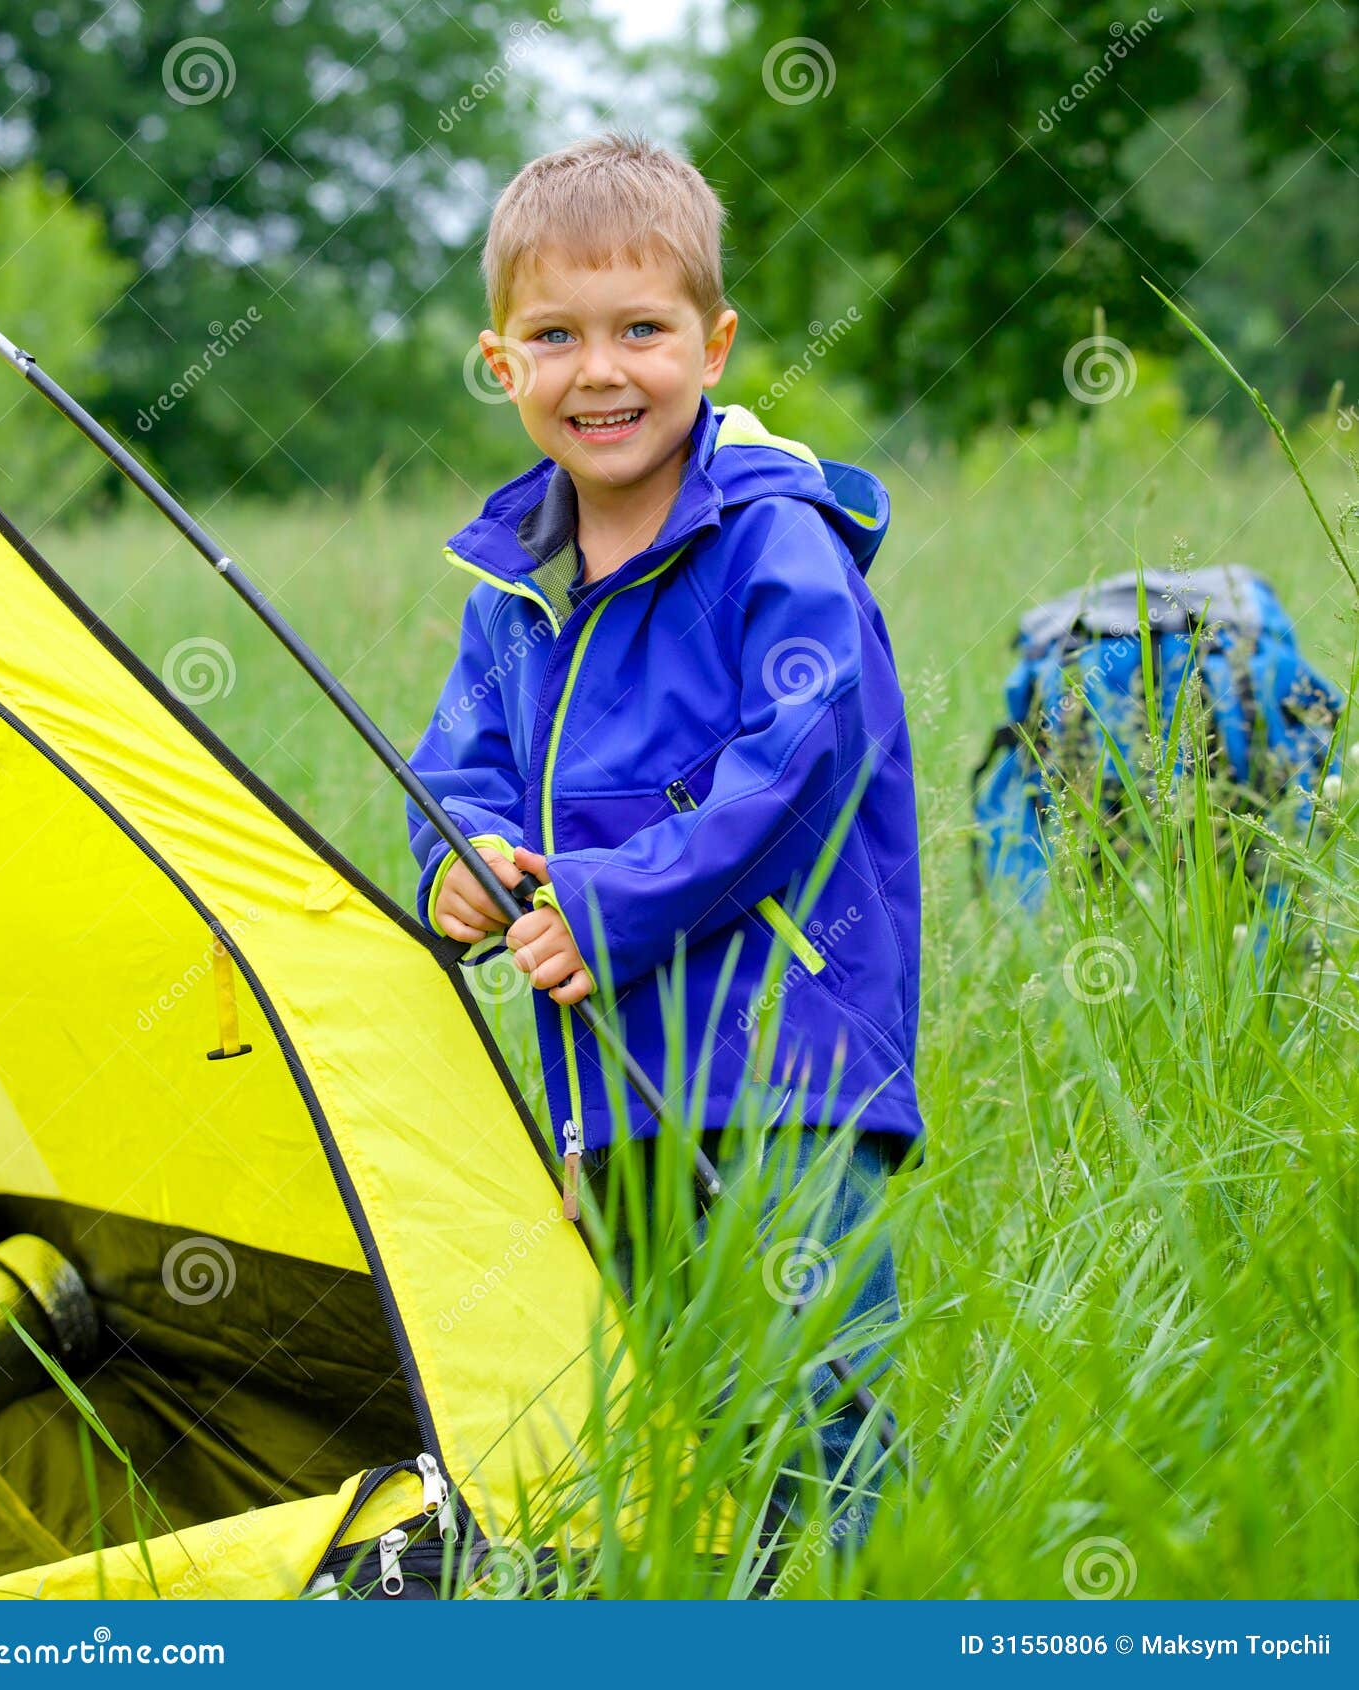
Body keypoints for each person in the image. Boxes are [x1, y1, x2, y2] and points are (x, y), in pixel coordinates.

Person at [406, 131, 923, 1538]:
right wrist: (458, 856)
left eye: (642, 328)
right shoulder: (513, 583)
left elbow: (798, 765)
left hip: (788, 1055)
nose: (601, 370)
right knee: (681, 1392)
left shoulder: (775, 543)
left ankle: (854, 1609)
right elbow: (461, 765)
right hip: (610, 1082)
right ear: (501, 361)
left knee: (818, 1386)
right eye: (554, 336)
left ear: (714, 342)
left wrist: (609, 899)